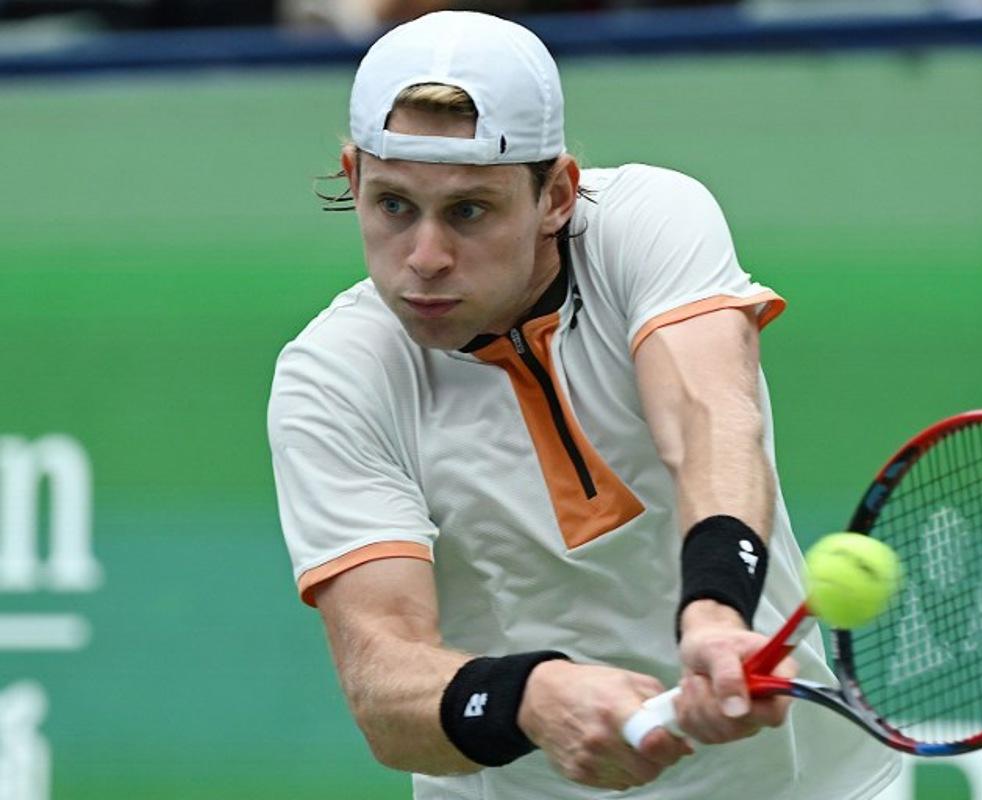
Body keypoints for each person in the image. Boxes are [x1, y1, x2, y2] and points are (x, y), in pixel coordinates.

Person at [268, 10, 898, 798]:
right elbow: (383, 687)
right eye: (394, 205)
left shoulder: (646, 221)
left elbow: (709, 421)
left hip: (807, 782)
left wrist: (713, 610)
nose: (424, 259)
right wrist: (531, 697)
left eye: (469, 211)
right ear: (354, 178)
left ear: (559, 194)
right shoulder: (334, 374)